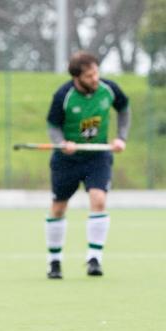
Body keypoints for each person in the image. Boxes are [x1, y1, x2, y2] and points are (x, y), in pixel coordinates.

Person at [44, 51, 130, 279]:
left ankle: (94, 259)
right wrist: (61, 143)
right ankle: (54, 262)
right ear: (77, 77)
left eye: (96, 73)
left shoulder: (108, 89)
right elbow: (53, 125)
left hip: (97, 156)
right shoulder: (63, 95)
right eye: (89, 76)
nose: (95, 79)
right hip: (67, 160)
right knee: (59, 208)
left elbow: (123, 108)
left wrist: (121, 137)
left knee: (99, 200)